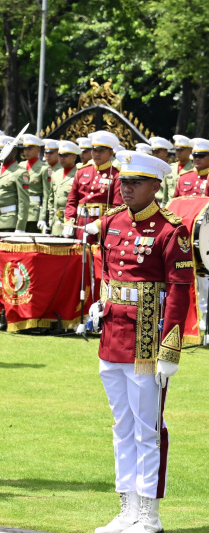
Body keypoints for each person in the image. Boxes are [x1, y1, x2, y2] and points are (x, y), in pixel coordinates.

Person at [87, 151, 191, 533]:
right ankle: (126, 507)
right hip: (112, 334)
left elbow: (181, 292)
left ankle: (149, 512)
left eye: (134, 183)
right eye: (123, 181)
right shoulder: (112, 222)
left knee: (148, 428)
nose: (125, 187)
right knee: (121, 425)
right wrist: (100, 302)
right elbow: (107, 269)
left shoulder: (170, 229)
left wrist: (170, 350)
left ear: (155, 186)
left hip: (148, 340)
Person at [63, 131, 121, 242]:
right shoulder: (81, 171)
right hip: (80, 226)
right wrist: (69, 221)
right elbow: (72, 201)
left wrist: (99, 223)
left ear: (110, 152)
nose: (97, 154)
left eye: (101, 151)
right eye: (94, 150)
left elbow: (118, 207)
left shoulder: (116, 175)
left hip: (102, 228)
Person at [47, 141, 80, 236]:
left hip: (71, 222)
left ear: (74, 157)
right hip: (56, 222)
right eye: (60, 155)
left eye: (65, 155)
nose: (62, 158)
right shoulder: (55, 174)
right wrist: (50, 219)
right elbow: (51, 199)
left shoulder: (79, 174)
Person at [21, 134, 48, 233]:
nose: (26, 151)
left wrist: (43, 217)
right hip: (20, 211)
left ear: (38, 150)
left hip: (34, 213)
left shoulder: (44, 168)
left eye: (30, 148)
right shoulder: (20, 166)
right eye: (25, 148)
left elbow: (47, 195)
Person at [148, 137, 174, 205]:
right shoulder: (149, 169)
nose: (155, 155)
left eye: (157, 152)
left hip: (164, 204)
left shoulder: (172, 170)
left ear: (166, 153)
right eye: (153, 152)